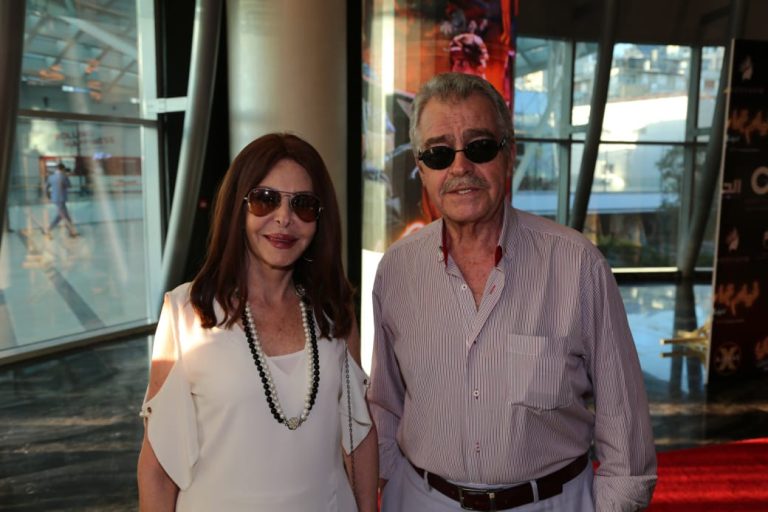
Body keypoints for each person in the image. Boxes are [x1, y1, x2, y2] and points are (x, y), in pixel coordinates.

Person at [368, 73, 657, 511]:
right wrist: (392, 491)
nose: (460, 168)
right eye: (439, 153)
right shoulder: (396, 271)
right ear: (422, 169)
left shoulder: (578, 265)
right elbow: (385, 405)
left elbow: (626, 429)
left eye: (480, 147)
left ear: (510, 155)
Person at [137, 133, 378, 511]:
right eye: (265, 199)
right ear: (238, 207)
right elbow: (157, 469)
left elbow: (358, 437)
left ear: (319, 220)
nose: (284, 218)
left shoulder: (334, 313)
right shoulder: (187, 311)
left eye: (303, 205)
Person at [46, 162, 78, 238]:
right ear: (63, 169)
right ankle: (49, 229)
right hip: (62, 199)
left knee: (65, 215)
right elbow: (69, 185)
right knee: (61, 215)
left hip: (55, 198)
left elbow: (46, 187)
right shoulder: (64, 176)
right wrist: (66, 177)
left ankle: (72, 231)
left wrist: (48, 196)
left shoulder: (51, 177)